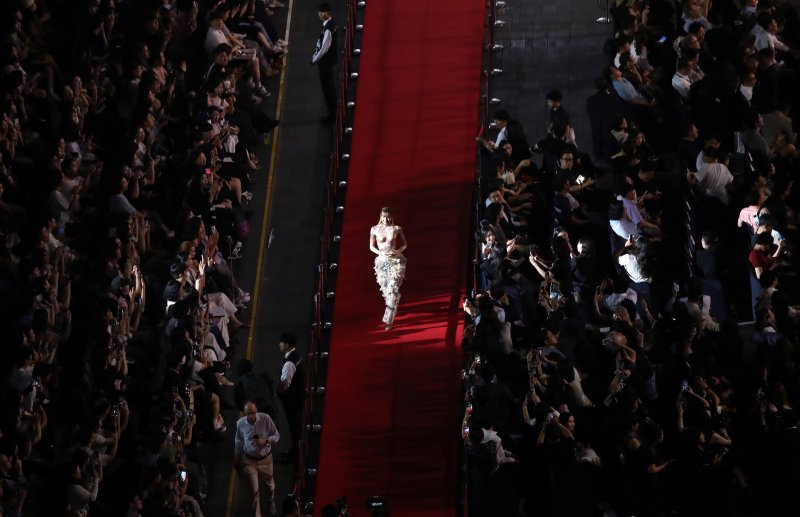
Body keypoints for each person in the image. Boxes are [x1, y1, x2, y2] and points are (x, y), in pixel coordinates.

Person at [234, 402, 280, 517]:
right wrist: (237, 459)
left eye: (253, 413)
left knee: (270, 486)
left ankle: (271, 500)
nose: (252, 416)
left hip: (265, 459)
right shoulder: (240, 424)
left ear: (257, 411)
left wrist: (266, 441)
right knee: (254, 492)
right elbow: (238, 442)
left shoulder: (265, 419)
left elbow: (276, 435)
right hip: (249, 460)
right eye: (249, 413)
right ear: (245, 413)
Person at [369, 207, 407, 330]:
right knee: (386, 290)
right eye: (383, 217)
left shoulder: (396, 228)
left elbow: (404, 244)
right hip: (381, 262)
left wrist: (397, 251)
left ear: (391, 217)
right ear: (380, 217)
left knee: (393, 288)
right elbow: (371, 246)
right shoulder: (374, 229)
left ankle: (388, 321)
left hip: (396, 262)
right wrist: (380, 253)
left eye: (388, 217)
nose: (385, 219)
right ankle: (392, 307)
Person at [276, 332, 306, 463]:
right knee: (296, 422)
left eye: (281, 342)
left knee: (294, 423)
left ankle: (295, 453)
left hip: (292, 398)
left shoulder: (289, 363)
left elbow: (285, 383)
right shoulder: (296, 355)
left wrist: (279, 391)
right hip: (298, 394)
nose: (279, 344)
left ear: (287, 345)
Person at [311, 3, 338, 123]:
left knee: (328, 89)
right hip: (327, 62)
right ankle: (333, 112)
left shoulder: (328, 28)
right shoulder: (328, 25)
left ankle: (333, 115)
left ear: (328, 13)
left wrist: (315, 58)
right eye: (320, 12)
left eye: (323, 12)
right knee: (329, 88)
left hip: (325, 63)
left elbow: (324, 48)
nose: (320, 14)